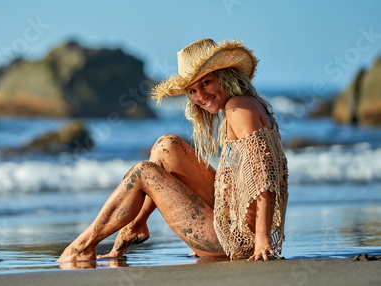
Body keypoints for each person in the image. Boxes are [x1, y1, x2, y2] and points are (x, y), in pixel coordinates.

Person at [56, 38, 288, 263]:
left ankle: (82, 246)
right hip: (228, 220)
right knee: (167, 145)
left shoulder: (238, 107)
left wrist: (262, 240)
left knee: (143, 172)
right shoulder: (240, 106)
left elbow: (262, 175)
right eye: (192, 91)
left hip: (235, 240)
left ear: (226, 76)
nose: (201, 96)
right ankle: (137, 225)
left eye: (206, 83)